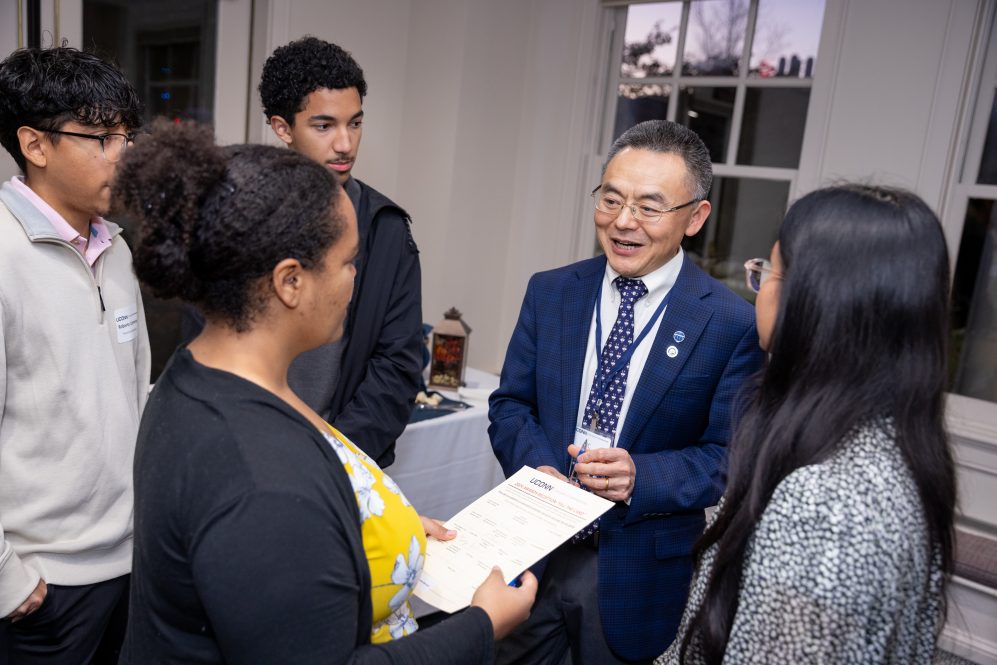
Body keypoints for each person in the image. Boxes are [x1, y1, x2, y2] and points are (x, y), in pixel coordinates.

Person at [116, 120, 536, 664]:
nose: (356, 278)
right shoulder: (261, 476)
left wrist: (384, 528)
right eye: (346, 262)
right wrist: (482, 626)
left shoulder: (199, 374)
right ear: (291, 281)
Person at [488, 120, 765, 664]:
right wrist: (541, 472)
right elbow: (511, 405)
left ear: (695, 217)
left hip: (633, 567)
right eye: (611, 199)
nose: (622, 222)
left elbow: (728, 456)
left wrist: (643, 476)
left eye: (649, 206)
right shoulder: (551, 292)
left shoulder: (731, 324)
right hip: (534, 551)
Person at [656, 184, 956, 664]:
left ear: (819, 302)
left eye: (771, 270)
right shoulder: (896, 446)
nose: (760, 282)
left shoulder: (824, 508)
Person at [183, 36, 422, 468]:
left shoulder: (385, 229)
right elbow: (204, 339)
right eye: (324, 125)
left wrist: (332, 457)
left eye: (355, 123)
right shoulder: (237, 216)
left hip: (344, 458)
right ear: (282, 128)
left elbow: (399, 364)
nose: (345, 144)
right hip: (242, 449)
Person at [0, 46, 150, 664]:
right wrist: (8, 579)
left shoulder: (115, 249)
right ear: (35, 145)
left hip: (129, 561)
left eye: (126, 136)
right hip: (42, 584)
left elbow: (139, 391)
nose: (123, 154)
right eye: (101, 137)